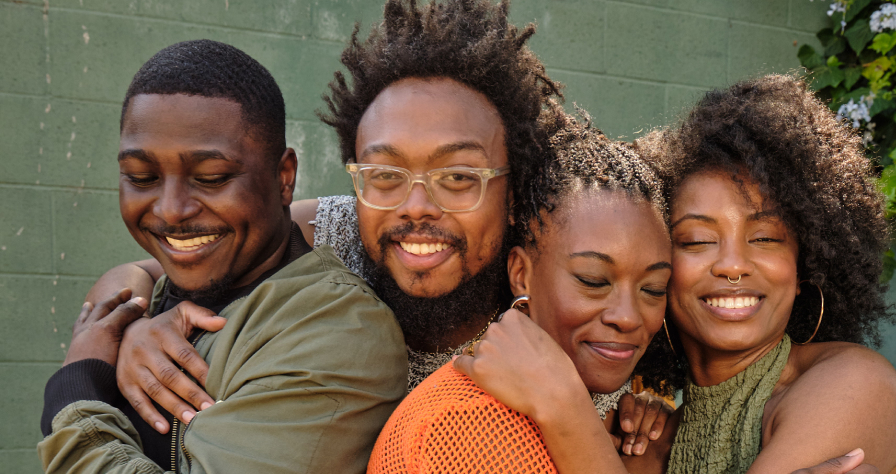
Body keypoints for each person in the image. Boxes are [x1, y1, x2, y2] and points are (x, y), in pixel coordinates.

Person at [80, 0, 673, 455]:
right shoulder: (336, 231)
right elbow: (164, 255)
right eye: (386, 174)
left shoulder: (558, 317)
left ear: (513, 192)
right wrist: (135, 320)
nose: (417, 206)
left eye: (460, 177)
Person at [461, 75, 896, 474]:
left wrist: (561, 405)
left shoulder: (854, 385)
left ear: (804, 265)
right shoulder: (651, 436)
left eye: (766, 238)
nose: (733, 265)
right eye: (697, 240)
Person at [37, 39, 407, 474]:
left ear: (284, 177)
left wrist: (76, 393)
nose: (171, 209)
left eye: (211, 178)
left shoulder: (341, 333)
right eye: (142, 177)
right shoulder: (165, 297)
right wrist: (132, 320)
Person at [368, 110, 676, 473]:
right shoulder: (472, 425)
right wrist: (566, 408)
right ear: (521, 274)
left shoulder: (595, 423)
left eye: (653, 290)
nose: (627, 317)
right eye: (593, 281)